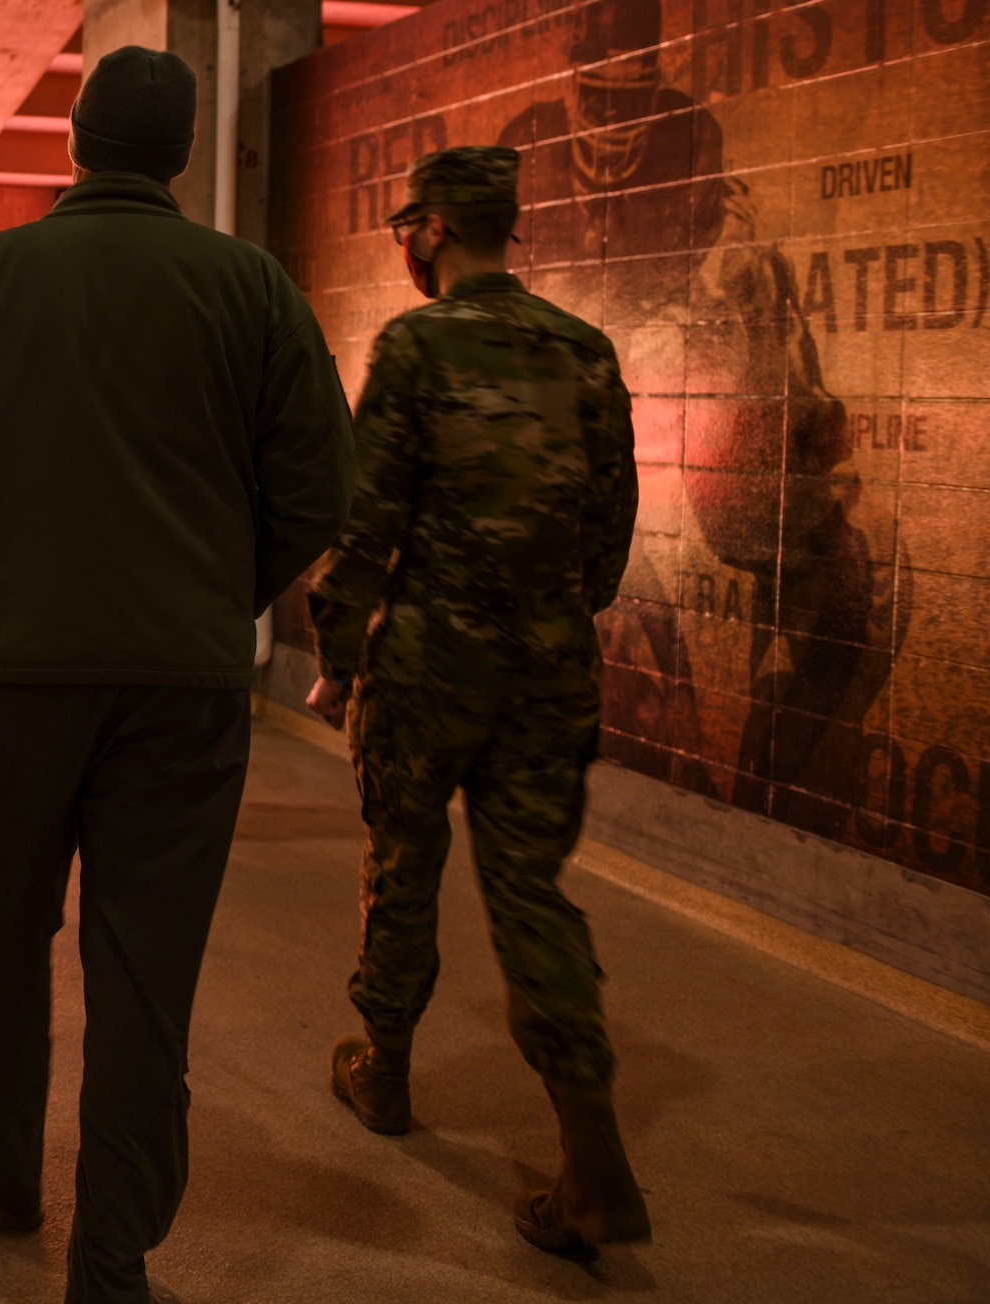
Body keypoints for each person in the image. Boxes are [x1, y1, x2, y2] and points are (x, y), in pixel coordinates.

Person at [0, 46, 355, 1304]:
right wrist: (209, 595)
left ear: (73, 141)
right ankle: (110, 1260)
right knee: (143, 976)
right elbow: (319, 491)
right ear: (177, 157)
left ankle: (6, 1166)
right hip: (180, 690)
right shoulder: (253, 288)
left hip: (15, 673)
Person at [303, 145, 646, 1254]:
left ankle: (385, 1073)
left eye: (408, 228)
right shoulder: (584, 351)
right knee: (532, 893)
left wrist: (338, 652)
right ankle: (590, 1160)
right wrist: (548, 613)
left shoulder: (414, 346)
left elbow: (368, 520)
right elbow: (606, 534)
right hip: (547, 667)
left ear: (434, 229)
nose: (404, 246)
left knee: (401, 861)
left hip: (429, 662)